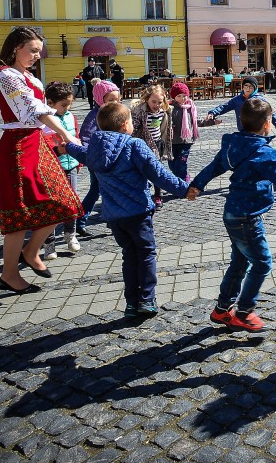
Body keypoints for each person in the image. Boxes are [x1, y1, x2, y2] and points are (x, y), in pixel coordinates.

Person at [186, 99, 276, 332]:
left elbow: (214, 166)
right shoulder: (264, 153)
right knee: (262, 262)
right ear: (267, 124)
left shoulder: (234, 145)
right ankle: (243, 311)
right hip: (246, 217)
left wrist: (197, 184)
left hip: (232, 213)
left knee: (240, 262)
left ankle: (222, 309)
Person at [64, 101, 188, 319]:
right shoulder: (134, 145)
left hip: (114, 216)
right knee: (146, 254)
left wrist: (66, 147)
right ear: (124, 125)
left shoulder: (95, 147)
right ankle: (147, 299)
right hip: (138, 212)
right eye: (131, 121)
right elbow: (158, 174)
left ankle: (131, 303)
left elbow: (82, 154)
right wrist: (185, 189)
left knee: (129, 256)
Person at [0, 26, 80, 295]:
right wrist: (64, 133)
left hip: (36, 143)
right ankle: (9, 274)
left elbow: (39, 115)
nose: (36, 56)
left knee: (65, 203)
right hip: (17, 146)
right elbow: (33, 110)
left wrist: (58, 140)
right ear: (15, 47)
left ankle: (30, 251)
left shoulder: (26, 75)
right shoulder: (7, 75)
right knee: (19, 213)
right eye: (32, 50)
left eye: (38, 52)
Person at [43, 81, 82, 256]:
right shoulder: (44, 121)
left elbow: (77, 137)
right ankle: (49, 243)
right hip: (52, 168)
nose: (67, 108)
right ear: (50, 103)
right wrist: (57, 151)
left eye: (69, 105)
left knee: (71, 203)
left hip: (70, 165)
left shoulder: (70, 117)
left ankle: (70, 235)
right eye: (63, 105)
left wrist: (79, 161)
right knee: (51, 206)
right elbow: (42, 148)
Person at [78, 80, 121, 235]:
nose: (114, 103)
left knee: (106, 190)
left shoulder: (117, 112)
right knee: (97, 191)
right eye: (110, 100)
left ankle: (111, 221)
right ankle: (81, 219)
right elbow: (86, 138)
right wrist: (92, 157)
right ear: (99, 99)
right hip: (98, 162)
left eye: (117, 99)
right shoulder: (94, 116)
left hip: (113, 160)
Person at [130, 84, 172, 208]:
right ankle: (144, 194)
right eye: (153, 102)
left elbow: (164, 127)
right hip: (143, 145)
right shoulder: (140, 112)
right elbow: (133, 128)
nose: (156, 105)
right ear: (147, 99)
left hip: (157, 144)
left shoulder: (163, 112)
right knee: (142, 171)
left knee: (156, 171)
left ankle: (158, 195)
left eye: (159, 102)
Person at [202, 75, 276, 129]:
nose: (248, 88)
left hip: (257, 131)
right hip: (243, 130)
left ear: (255, 88)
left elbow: (270, 111)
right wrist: (213, 113)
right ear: (243, 87)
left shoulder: (260, 99)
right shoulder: (237, 99)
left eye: (251, 86)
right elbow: (225, 106)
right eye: (246, 86)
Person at [167, 82, 200, 185]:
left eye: (184, 95)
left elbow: (196, 121)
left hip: (186, 141)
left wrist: (211, 121)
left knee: (181, 163)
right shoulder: (169, 108)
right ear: (173, 97)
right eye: (179, 96)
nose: (182, 98)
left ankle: (182, 184)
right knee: (172, 165)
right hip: (172, 141)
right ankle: (179, 179)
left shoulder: (190, 107)